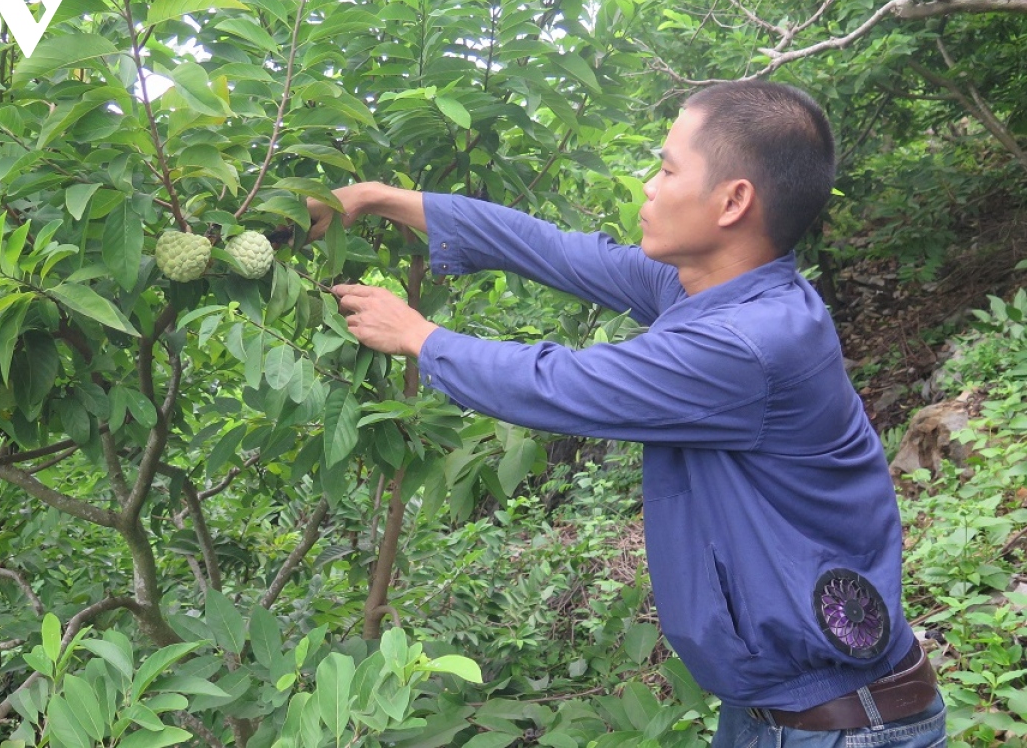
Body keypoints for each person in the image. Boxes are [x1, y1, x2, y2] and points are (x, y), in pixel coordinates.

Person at [307, 80, 945, 747]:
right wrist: (372, 198)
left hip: (843, 726)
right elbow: (555, 250)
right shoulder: (718, 292)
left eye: (667, 168)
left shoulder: (747, 345)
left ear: (732, 202)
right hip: (778, 712)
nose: (648, 184)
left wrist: (417, 335)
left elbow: (559, 382)